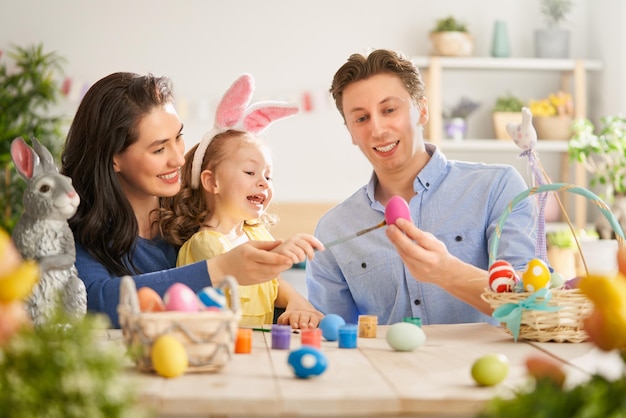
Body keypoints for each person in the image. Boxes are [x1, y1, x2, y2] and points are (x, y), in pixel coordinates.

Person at [306, 49, 537, 326]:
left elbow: (530, 303)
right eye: (361, 118)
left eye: (389, 110)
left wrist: (448, 272)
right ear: (351, 133)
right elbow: (334, 337)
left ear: (423, 110)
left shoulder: (497, 188)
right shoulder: (334, 230)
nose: (377, 130)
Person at [61, 72, 294, 328]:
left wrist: (291, 301)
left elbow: (247, 295)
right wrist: (218, 271)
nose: (179, 160)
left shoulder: (195, 207)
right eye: (159, 149)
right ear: (113, 158)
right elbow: (94, 301)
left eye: (178, 138)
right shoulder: (77, 228)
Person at [159, 74, 324, 328]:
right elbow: (243, 266)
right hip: (219, 345)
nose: (264, 183)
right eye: (250, 172)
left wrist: (297, 301)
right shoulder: (205, 243)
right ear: (212, 182)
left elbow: (273, 281)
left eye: (268, 176)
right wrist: (280, 254)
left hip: (259, 347)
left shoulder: (256, 233)